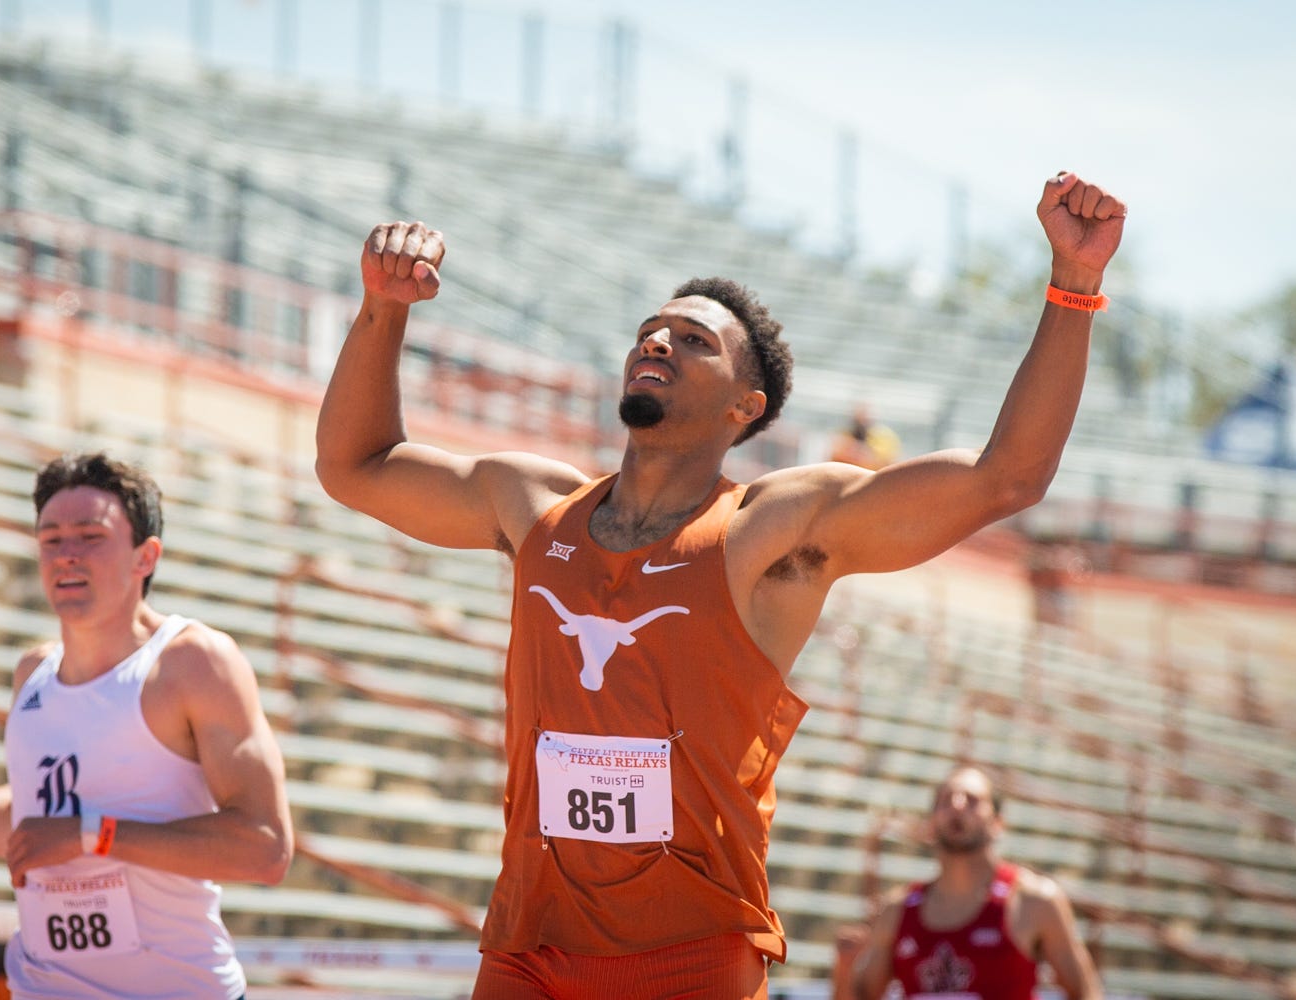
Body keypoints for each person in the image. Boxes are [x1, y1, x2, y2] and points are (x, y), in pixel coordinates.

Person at [314, 172, 1124, 1000]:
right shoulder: (532, 506)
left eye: (693, 340)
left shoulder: (773, 532)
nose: (657, 343)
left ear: (748, 405)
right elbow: (354, 467)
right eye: (649, 331)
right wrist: (384, 309)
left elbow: (1007, 479)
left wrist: (1075, 283)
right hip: (529, 942)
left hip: (693, 953)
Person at [0, 452, 294, 1000]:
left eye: (90, 536)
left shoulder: (192, 661)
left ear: (145, 557)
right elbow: (39, 822)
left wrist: (93, 835)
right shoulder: (32, 673)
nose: (67, 556)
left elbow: (265, 848)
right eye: (51, 540)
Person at [837, 766, 1103, 1000]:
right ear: (930, 825)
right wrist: (844, 969)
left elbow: (1087, 993)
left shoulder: (1036, 900)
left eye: (973, 800)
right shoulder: (898, 909)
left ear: (998, 823)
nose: (957, 805)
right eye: (945, 800)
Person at [828, 403, 902, 470]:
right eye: (860, 415)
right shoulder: (844, 435)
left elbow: (890, 461)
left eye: (866, 415)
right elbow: (834, 458)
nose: (862, 420)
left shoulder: (884, 437)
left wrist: (867, 456)